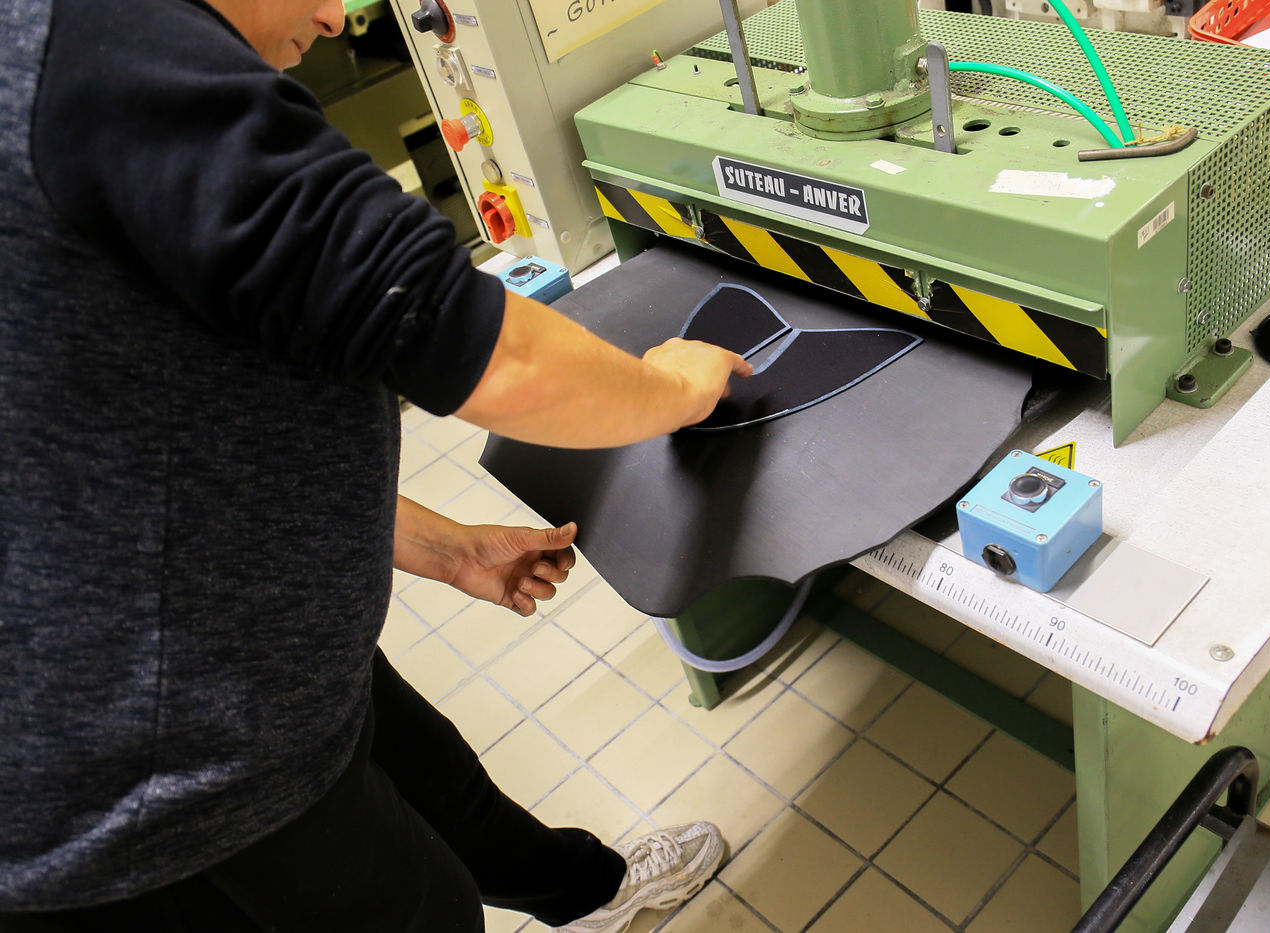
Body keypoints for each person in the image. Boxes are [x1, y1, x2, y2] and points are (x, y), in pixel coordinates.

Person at [0, 0, 752, 929]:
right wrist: (670, 386)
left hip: (249, 644)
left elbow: (145, 443)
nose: (335, 17)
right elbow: (474, 342)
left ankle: (591, 891)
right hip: (157, 769)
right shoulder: (107, 50)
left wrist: (443, 548)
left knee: (436, 781)